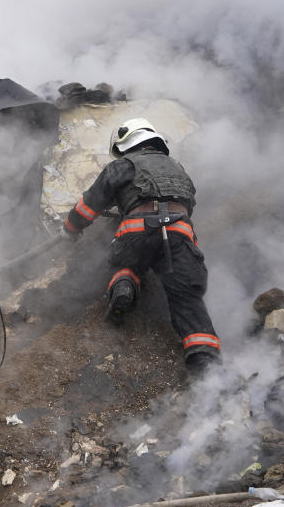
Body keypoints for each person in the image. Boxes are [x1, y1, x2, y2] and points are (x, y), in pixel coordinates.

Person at [62, 118, 221, 374]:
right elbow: (187, 204)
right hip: (180, 231)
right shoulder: (178, 169)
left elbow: (89, 205)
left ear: (126, 143)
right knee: (187, 297)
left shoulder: (123, 165)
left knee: (126, 262)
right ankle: (204, 360)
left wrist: (70, 229)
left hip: (137, 228)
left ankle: (125, 285)